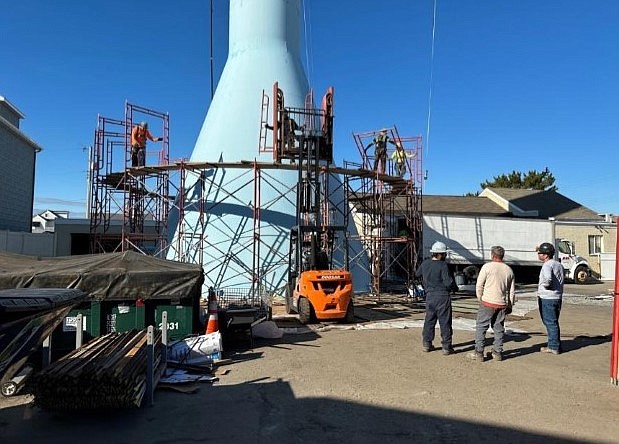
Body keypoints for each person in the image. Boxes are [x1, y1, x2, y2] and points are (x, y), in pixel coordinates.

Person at [467, 246, 515, 362]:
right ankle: (497, 353)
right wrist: (510, 305)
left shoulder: (487, 267)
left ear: (492, 255)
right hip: (501, 303)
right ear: (502, 256)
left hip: (487, 302)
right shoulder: (508, 270)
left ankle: (479, 353)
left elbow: (479, 285)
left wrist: (480, 298)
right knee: (498, 328)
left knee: (481, 327)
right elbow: (511, 291)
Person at [415, 241, 458, 355]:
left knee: (429, 320)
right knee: (445, 322)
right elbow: (448, 282)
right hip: (442, 296)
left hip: (429, 296)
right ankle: (446, 347)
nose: (446, 256)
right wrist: (455, 288)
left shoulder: (425, 263)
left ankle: (427, 344)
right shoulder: (443, 265)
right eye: (445, 254)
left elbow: (417, 274)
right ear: (440, 254)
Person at [536, 242, 564, 354]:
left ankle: (553, 347)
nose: (538, 254)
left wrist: (546, 286)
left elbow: (548, 279)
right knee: (554, 322)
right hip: (557, 297)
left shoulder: (547, 265)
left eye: (540, 253)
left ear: (546, 255)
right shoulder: (558, 265)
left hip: (547, 297)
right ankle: (555, 344)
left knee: (550, 322)